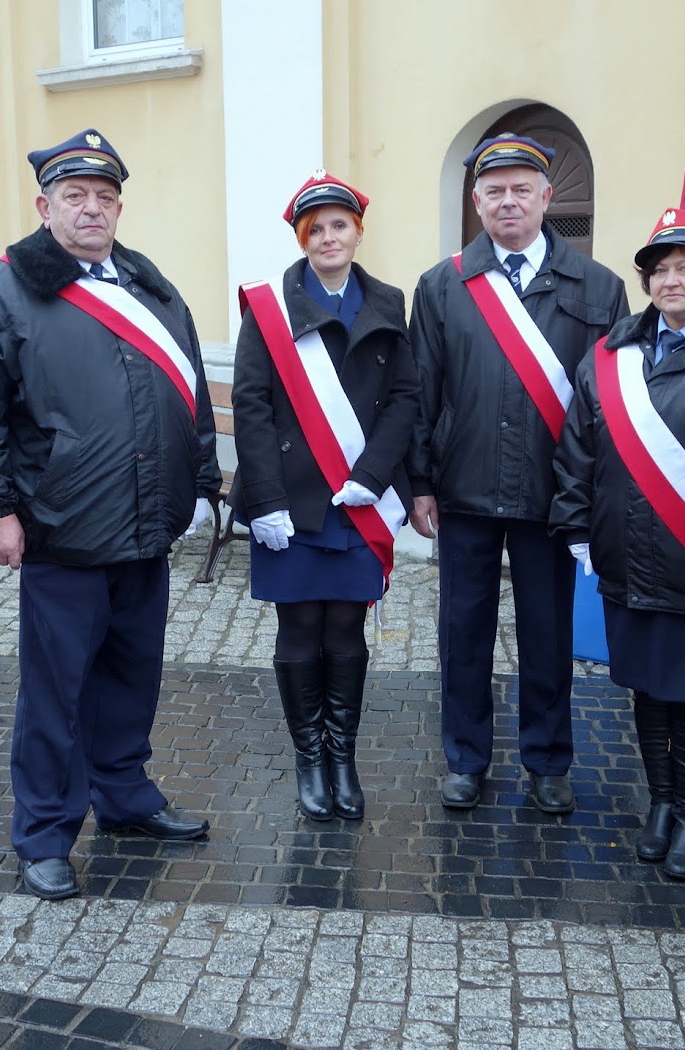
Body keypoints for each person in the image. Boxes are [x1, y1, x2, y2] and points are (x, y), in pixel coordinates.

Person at [0, 129, 221, 903]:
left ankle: (124, 796)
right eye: (74, 197)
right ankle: (44, 830)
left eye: (103, 198)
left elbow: (191, 393)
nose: (90, 209)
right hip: (61, 527)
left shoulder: (151, 287)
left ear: (118, 208)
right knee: (56, 690)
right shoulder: (3, 289)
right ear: (44, 205)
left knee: (132, 673)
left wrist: (198, 488)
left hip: (146, 524)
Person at [408, 133, 629, 812]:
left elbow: (610, 405)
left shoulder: (599, 287)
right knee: (462, 635)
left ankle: (548, 761)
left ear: (545, 197)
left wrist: (594, 493)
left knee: (547, 634)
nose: (508, 201)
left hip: (552, 497)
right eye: (494, 190)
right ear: (476, 202)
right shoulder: (443, 284)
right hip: (465, 491)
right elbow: (422, 391)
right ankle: (465, 759)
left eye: (520, 188)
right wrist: (419, 483)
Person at [550, 208, 685, 880]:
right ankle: (662, 805)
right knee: (648, 689)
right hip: (627, 556)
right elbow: (575, 447)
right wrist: (576, 525)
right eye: (659, 269)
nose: (670, 281)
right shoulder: (613, 351)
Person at [232, 171, 419, 821]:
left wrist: (372, 473)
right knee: (298, 628)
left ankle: (343, 757)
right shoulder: (268, 307)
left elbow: (403, 398)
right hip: (292, 499)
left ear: (358, 233)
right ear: (301, 238)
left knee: (345, 627)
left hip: (355, 498)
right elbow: (250, 404)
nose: (329, 236)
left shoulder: (389, 301)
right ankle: (309, 759)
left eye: (339, 225)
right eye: (316, 229)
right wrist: (265, 497)